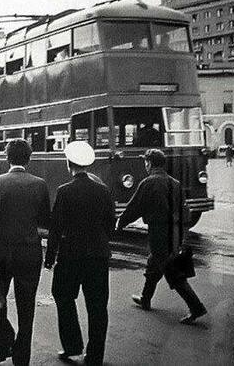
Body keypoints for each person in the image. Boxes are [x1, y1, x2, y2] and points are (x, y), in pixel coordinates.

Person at [0, 138, 51, 365]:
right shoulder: (39, 184)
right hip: (29, 254)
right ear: (28, 159)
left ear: (7, 158)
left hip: (1, 255)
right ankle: (22, 358)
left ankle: (4, 342)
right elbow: (45, 223)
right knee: (26, 308)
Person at [116, 148, 207, 324]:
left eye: (146, 162)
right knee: (154, 265)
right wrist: (182, 236)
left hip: (158, 231)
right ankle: (145, 298)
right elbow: (183, 211)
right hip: (175, 232)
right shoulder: (175, 183)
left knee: (172, 271)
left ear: (149, 163)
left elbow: (134, 207)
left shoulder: (148, 183)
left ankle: (196, 307)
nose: (145, 165)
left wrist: (121, 222)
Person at [44, 141, 114, 366]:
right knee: (97, 306)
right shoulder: (103, 191)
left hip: (71, 257)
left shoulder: (64, 192)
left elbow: (56, 228)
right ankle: (95, 356)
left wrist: (49, 257)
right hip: (98, 256)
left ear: (69, 164)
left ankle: (72, 346)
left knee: (63, 296)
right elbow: (110, 225)